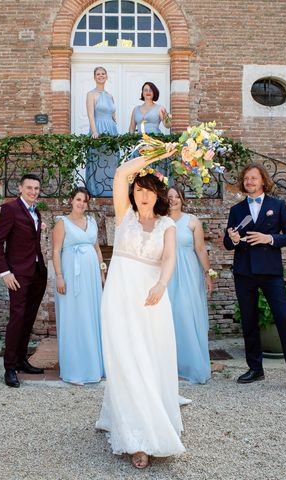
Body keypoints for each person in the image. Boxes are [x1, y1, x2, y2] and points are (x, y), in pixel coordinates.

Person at [95, 147, 184, 469]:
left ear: (157, 194)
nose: (142, 195)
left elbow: (170, 258)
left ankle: (153, 421)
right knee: (126, 359)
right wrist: (159, 154)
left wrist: (162, 284)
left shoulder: (167, 226)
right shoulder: (124, 217)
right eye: (138, 189)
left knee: (150, 358)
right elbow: (120, 173)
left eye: (148, 190)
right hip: (119, 295)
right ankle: (136, 438)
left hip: (151, 298)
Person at [223, 163, 286, 395]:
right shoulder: (236, 209)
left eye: (254, 178)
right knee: (248, 320)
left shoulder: (277, 205)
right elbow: (227, 244)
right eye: (246, 178)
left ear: (263, 181)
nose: (249, 182)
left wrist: (269, 239)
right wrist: (234, 239)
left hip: (270, 272)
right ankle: (255, 368)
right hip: (244, 272)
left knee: (284, 319)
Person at [0, 174, 48, 388]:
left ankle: (22, 359)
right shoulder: (10, 209)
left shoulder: (36, 212)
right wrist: (5, 272)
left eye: (36, 188)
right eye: (29, 188)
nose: (33, 191)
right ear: (20, 188)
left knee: (28, 317)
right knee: (17, 318)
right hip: (17, 274)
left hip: (36, 272)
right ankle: (9, 368)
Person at [52, 187, 105, 385]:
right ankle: (75, 369)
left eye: (85, 201)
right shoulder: (62, 223)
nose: (81, 203)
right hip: (70, 277)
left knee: (91, 316)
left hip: (91, 278)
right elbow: (56, 251)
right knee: (74, 317)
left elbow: (97, 249)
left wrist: (101, 272)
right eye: (78, 199)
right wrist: (59, 276)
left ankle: (94, 366)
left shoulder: (91, 222)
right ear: (71, 200)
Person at [167, 186, 213, 384]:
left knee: (186, 314)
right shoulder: (160, 220)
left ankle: (192, 365)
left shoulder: (192, 221)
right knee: (168, 316)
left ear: (183, 199)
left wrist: (207, 274)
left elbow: (201, 249)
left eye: (177, 196)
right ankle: (170, 366)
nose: (173, 200)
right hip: (166, 273)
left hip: (188, 272)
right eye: (169, 197)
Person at [86, 66, 118, 197]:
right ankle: (96, 190)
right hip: (98, 128)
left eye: (103, 74)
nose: (101, 76)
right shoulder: (91, 94)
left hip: (111, 130)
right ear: (94, 77)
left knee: (112, 160)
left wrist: (114, 123)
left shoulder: (110, 96)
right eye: (98, 74)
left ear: (106, 76)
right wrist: (94, 131)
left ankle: (111, 190)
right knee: (98, 159)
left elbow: (113, 114)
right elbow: (90, 115)